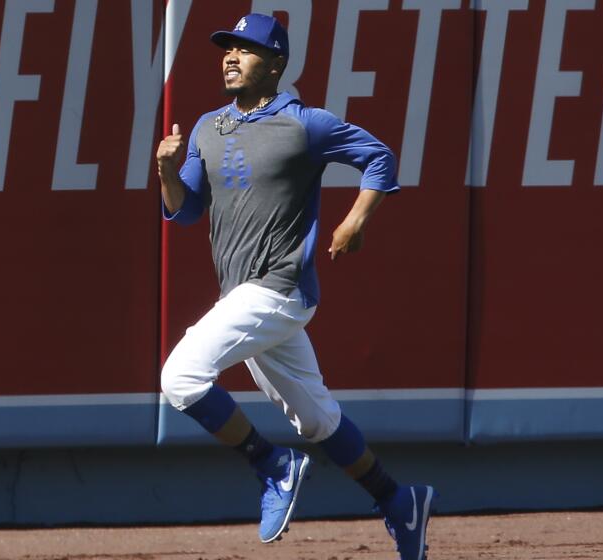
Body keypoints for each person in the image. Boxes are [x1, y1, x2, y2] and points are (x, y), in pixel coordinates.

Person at [155, 13, 435, 560]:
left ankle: (272, 463)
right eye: (227, 48)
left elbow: (378, 157)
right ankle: (399, 500)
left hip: (277, 288)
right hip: (242, 294)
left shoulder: (306, 124)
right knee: (316, 418)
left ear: (277, 62)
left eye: (247, 49)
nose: (231, 56)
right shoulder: (209, 127)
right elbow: (185, 212)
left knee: (180, 376)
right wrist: (167, 171)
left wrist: (356, 219)